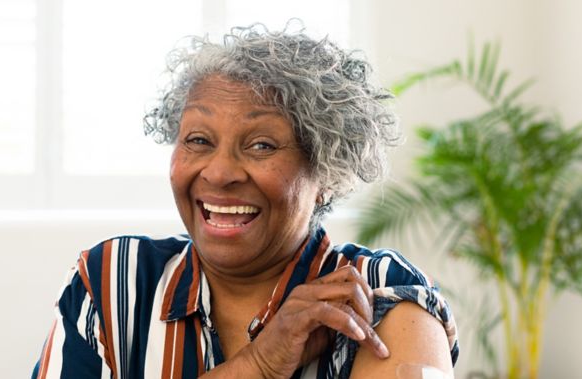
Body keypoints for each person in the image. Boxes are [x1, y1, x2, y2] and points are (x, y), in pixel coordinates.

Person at [32, 22, 458, 379]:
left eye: (261, 145)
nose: (219, 172)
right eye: (198, 140)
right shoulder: (113, 283)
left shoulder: (382, 294)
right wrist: (258, 365)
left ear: (326, 172)